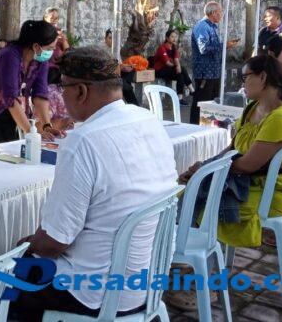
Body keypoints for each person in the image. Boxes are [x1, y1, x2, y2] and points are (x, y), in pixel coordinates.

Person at [9, 46, 178, 321]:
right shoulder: (149, 120)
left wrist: (29, 243)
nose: (62, 95)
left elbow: (54, 243)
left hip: (93, 292)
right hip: (149, 282)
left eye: (63, 88)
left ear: (81, 91)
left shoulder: (83, 141)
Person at [179, 55, 282, 248]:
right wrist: (204, 166)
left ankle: (192, 251)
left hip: (265, 193)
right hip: (244, 183)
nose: (243, 83)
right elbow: (233, 147)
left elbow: (247, 165)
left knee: (193, 199)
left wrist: (205, 171)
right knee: (184, 188)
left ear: (262, 77)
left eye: (245, 77)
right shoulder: (253, 108)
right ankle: (189, 250)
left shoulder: (281, 117)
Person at [0, 20, 65, 146]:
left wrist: (46, 126)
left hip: (8, 109)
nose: (51, 52)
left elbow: (40, 94)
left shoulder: (41, 61)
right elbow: (10, 98)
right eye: (50, 48)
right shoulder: (10, 55)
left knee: (14, 148)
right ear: (36, 46)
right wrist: (31, 133)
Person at [189, 1, 241, 124]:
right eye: (220, 12)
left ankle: (207, 126)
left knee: (212, 102)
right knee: (202, 102)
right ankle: (195, 126)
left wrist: (225, 45)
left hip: (213, 72)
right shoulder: (202, 27)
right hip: (205, 72)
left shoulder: (211, 26)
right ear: (213, 13)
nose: (221, 15)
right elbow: (204, 49)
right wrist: (224, 45)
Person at [153, 30, 194, 104]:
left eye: (175, 37)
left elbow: (176, 59)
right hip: (159, 71)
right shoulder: (162, 48)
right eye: (172, 37)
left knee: (180, 75)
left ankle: (180, 98)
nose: (174, 39)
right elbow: (168, 63)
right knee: (182, 69)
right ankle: (191, 89)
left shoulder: (174, 48)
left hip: (168, 70)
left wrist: (178, 66)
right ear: (167, 38)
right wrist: (177, 66)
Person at [43, 7, 70, 85]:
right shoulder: (41, 31)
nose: (54, 20)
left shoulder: (59, 31)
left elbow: (67, 50)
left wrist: (63, 40)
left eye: (56, 18)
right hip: (45, 65)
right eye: (52, 18)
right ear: (45, 17)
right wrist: (54, 39)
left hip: (57, 66)